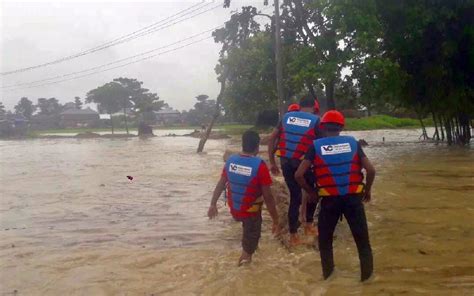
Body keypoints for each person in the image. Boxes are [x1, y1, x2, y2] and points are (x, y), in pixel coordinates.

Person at [295, 110, 375, 281]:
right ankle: (367, 282)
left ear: (323, 127)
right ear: (341, 127)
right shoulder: (353, 143)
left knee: (325, 243)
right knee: (363, 243)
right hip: (353, 200)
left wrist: (311, 193)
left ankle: (329, 279)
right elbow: (371, 170)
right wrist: (367, 191)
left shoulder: (315, 146)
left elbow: (298, 175)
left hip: (329, 201)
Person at [208, 130, 280, 266]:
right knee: (248, 249)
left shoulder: (231, 161)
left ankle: (253, 248)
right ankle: (243, 270)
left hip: (235, 209)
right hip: (250, 212)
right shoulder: (259, 165)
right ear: (257, 147)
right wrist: (276, 219)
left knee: (251, 234)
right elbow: (268, 197)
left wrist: (212, 204)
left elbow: (220, 184)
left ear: (242, 144)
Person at [267, 95, 321, 246]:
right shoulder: (316, 120)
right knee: (312, 192)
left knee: (295, 197)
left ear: (299, 105)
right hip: (304, 165)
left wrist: (272, 162)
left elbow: (272, 139)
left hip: (286, 163)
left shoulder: (286, 117)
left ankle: (293, 235)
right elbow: (322, 145)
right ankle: (309, 225)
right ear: (313, 106)